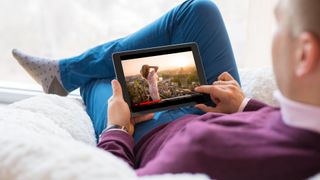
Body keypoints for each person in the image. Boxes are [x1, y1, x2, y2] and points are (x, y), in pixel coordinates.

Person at [12, 0, 320, 179]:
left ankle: (67, 74)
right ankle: (65, 73)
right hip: (218, 108)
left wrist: (118, 128)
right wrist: (244, 105)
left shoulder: (203, 149)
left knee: (100, 83)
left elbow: (113, 173)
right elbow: (283, 132)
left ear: (304, 54)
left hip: (151, 134)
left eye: (279, 22)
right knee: (199, 10)